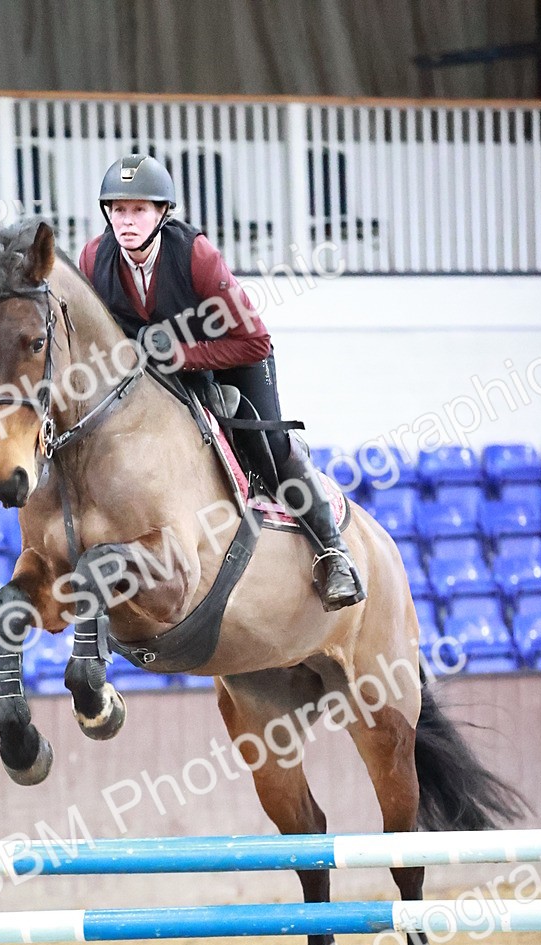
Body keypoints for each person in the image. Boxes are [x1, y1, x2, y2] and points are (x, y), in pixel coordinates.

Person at [79, 153, 364, 612]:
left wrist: (184, 357)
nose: (126, 222)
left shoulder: (195, 254)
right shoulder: (94, 259)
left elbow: (254, 342)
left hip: (233, 356)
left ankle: (334, 554)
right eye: (117, 210)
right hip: (154, 369)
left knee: (267, 445)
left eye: (138, 210)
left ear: (161, 213)